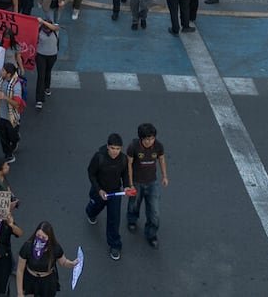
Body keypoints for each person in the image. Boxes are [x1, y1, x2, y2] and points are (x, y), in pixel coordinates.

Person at [86, 133, 133, 261]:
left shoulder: (123, 159)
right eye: (112, 148)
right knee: (94, 209)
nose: (115, 152)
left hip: (115, 193)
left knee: (114, 219)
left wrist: (127, 186)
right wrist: (99, 190)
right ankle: (90, 212)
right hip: (99, 192)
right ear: (107, 147)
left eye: (118, 149)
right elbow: (91, 174)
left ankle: (115, 245)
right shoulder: (99, 157)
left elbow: (125, 175)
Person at [126, 123, 168, 249]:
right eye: (147, 139)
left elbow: (161, 159)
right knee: (134, 204)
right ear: (141, 138)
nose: (150, 141)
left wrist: (164, 176)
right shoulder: (133, 147)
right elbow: (129, 165)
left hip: (152, 182)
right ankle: (132, 220)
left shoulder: (158, 146)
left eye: (152, 138)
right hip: (137, 183)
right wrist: (131, 184)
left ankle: (151, 234)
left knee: (154, 212)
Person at [16, 221, 80, 297]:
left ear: (49, 238)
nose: (40, 239)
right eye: (38, 235)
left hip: (47, 282)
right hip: (30, 280)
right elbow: (20, 270)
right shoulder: (27, 247)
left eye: (43, 237)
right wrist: (20, 293)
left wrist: (72, 264)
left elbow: (63, 262)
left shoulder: (55, 248)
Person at [0, 51, 23, 164]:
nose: (1, 71)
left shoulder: (16, 85)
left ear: (8, 74)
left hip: (11, 116)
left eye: (3, 71)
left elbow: (17, 104)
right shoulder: (3, 77)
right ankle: (8, 155)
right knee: (2, 136)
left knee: (12, 136)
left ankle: (15, 139)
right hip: (0, 114)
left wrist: (4, 97)